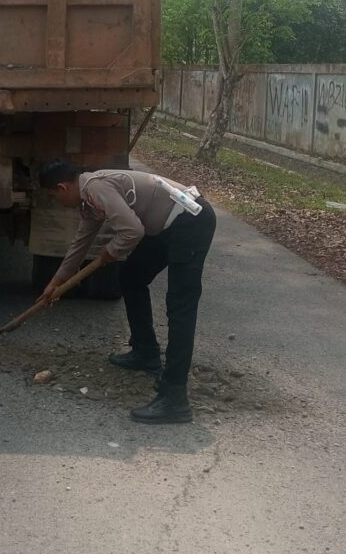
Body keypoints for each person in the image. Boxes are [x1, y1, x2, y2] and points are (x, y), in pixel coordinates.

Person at [37, 160, 217, 424]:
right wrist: (56, 281)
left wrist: (110, 252)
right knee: (131, 276)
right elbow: (81, 243)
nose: (56, 202)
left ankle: (175, 398)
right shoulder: (89, 198)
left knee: (180, 308)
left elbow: (133, 231)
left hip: (190, 221)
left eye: (53, 196)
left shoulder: (96, 187)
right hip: (169, 225)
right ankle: (145, 352)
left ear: (62, 187)